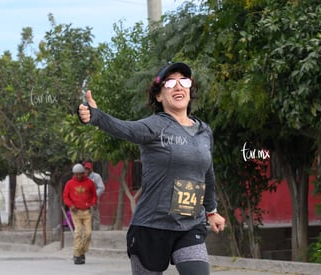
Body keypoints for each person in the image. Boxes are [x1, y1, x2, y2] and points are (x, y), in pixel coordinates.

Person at [78, 62, 226, 274]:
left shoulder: (204, 131)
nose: (178, 86)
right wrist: (96, 116)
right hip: (152, 227)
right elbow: (125, 129)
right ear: (159, 96)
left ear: (190, 90)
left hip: (190, 224)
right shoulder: (156, 125)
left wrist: (211, 211)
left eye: (184, 81)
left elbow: (207, 174)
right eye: (170, 82)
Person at [63, 163, 97, 265]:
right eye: (76, 174)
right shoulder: (69, 183)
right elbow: (65, 196)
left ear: (83, 173)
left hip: (87, 211)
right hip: (76, 212)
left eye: (80, 174)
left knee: (88, 233)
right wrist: (71, 205)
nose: (78, 176)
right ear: (74, 174)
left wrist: (93, 203)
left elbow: (94, 195)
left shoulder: (90, 183)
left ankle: (81, 252)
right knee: (78, 233)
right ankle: (77, 255)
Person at [83, 161, 105, 230]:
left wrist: (94, 195)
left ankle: (96, 232)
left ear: (91, 169)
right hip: (85, 199)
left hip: (93, 199)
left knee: (95, 216)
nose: (86, 170)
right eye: (85, 169)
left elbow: (101, 188)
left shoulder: (96, 176)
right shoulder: (84, 177)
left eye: (88, 169)